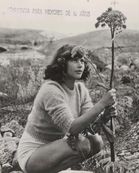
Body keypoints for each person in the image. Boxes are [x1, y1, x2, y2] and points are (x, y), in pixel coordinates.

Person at [17, 44, 117, 173]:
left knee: (96, 141)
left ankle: (60, 169)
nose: (80, 65)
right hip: (33, 154)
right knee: (83, 144)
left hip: (56, 148)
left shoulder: (80, 89)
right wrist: (102, 104)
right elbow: (72, 128)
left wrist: (104, 116)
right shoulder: (51, 89)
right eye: (74, 60)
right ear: (62, 63)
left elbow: (90, 127)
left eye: (82, 61)